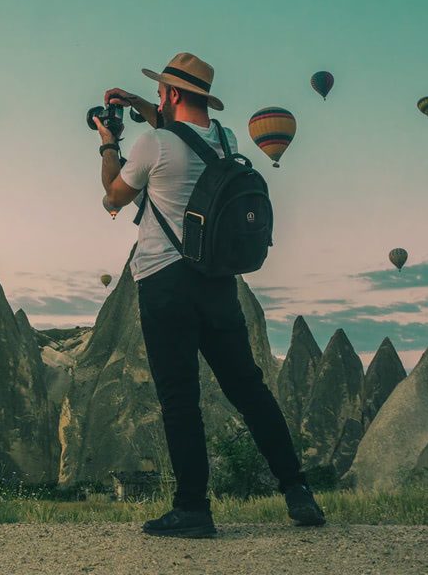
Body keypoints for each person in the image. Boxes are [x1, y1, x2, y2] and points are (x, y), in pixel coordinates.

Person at [95, 52, 325, 538]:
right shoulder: (226, 141)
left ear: (173, 94)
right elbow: (181, 133)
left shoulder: (151, 144)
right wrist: (138, 103)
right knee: (249, 389)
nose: (157, 99)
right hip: (219, 282)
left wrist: (108, 143)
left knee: (180, 397)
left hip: (164, 282)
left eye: (160, 91)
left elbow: (114, 196)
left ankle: (193, 509)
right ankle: (297, 490)